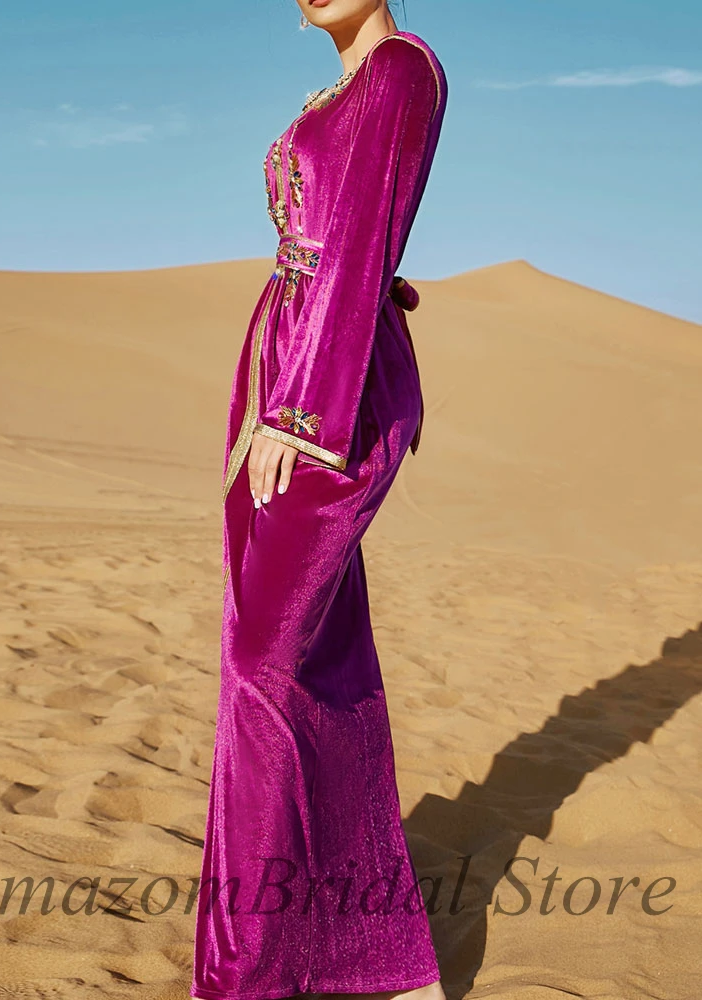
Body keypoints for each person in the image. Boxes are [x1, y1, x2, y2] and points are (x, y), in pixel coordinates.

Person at [191, 2, 449, 998]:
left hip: (321, 397)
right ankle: (380, 965)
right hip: (284, 372)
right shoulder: (343, 90)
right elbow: (348, 235)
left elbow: (351, 254)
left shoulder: (399, 74)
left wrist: (301, 415)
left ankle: (257, 969)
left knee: (265, 657)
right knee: (305, 662)